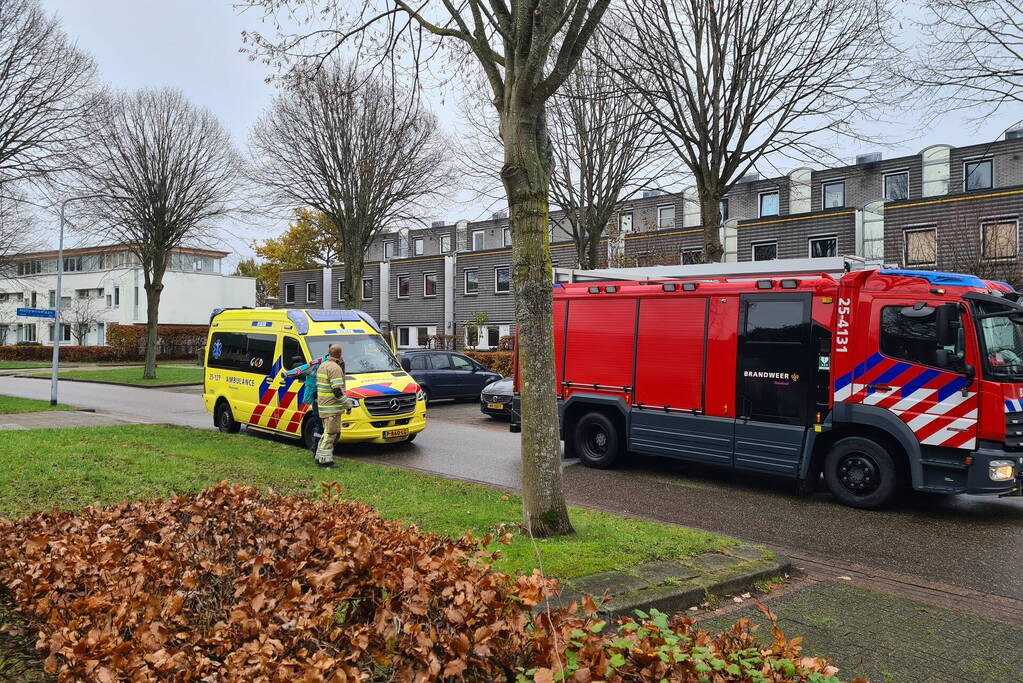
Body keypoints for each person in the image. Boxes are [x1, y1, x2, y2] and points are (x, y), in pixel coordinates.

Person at [283, 352, 327, 451]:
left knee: (321, 425)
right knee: (320, 424)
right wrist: (287, 373)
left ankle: (319, 449)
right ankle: (318, 448)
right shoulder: (319, 363)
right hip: (320, 398)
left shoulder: (337, 363)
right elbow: (301, 369)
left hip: (325, 399)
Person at [314, 344, 347, 467]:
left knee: (326, 433)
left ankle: (319, 456)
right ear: (339, 354)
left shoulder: (322, 366)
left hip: (323, 406)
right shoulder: (335, 368)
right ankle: (326, 461)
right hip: (332, 408)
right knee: (331, 434)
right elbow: (337, 391)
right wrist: (347, 404)